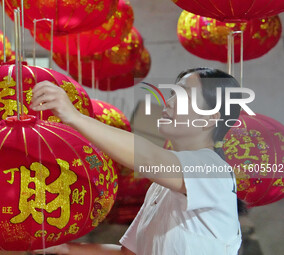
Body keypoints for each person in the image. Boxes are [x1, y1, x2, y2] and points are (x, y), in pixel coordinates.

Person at [30, 67, 242, 255]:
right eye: (171, 94)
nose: (168, 102)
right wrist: (64, 248)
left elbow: (149, 157)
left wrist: (73, 116)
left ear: (210, 117)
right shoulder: (161, 187)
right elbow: (129, 253)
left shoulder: (214, 170)